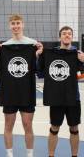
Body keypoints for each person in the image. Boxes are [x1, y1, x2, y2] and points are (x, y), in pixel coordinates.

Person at [0, 14, 43, 157]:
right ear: (10, 26)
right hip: (10, 93)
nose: (16, 26)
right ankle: (9, 154)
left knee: (28, 125)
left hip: (27, 91)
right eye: (13, 23)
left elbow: (38, 69)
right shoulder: (5, 46)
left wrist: (38, 53)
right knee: (8, 126)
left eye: (18, 23)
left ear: (22, 24)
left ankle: (30, 154)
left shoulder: (32, 44)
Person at [38, 26, 84, 157]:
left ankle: (74, 155)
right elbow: (40, 73)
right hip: (56, 97)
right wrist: (40, 56)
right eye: (64, 33)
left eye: (69, 34)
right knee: (54, 128)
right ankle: (51, 155)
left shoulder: (78, 54)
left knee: (74, 129)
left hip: (73, 97)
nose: (67, 36)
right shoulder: (51, 53)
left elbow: (82, 73)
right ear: (60, 37)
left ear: (72, 37)